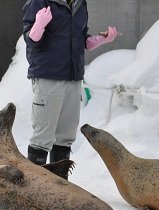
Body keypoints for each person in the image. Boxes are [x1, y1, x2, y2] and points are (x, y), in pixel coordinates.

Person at [22, 0, 118, 168]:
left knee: (65, 137)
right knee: (42, 137)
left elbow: (82, 40)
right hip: (48, 76)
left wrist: (102, 39)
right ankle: (32, 189)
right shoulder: (40, 2)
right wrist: (39, 24)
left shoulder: (80, 4)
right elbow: (31, 40)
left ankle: (60, 184)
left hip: (73, 77)